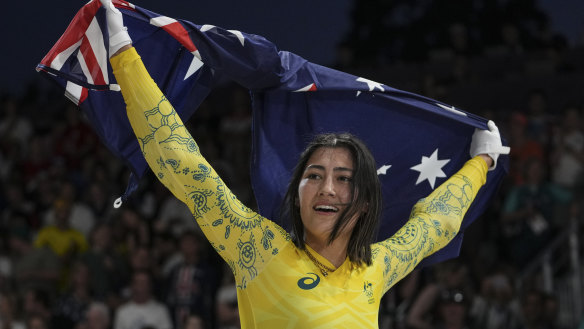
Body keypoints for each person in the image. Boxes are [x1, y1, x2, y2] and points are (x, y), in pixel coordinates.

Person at [97, 0, 509, 327]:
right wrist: (125, 56)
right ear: (296, 193)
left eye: (343, 178)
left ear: (364, 201)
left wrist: (482, 162)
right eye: (314, 175)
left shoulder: (376, 268)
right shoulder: (256, 248)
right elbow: (184, 167)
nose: (327, 187)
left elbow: (436, 223)